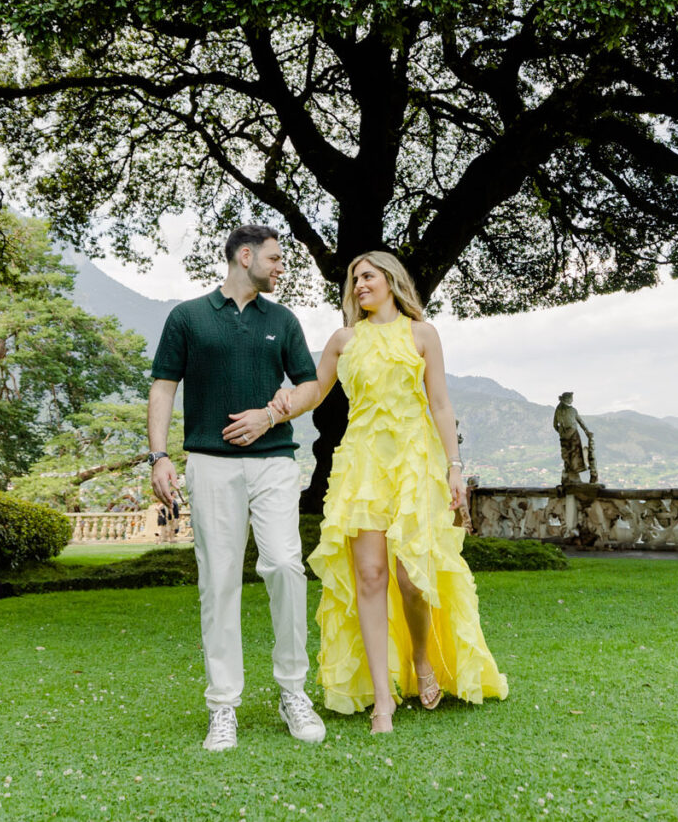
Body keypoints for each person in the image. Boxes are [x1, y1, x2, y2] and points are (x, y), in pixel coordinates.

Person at [271, 251, 508, 734]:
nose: (359, 284)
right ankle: (383, 700)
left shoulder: (423, 335)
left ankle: (421, 656)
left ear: (391, 281)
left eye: (368, 276)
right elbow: (315, 391)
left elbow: (440, 403)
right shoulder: (343, 340)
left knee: (411, 579)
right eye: (354, 278)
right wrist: (276, 408)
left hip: (416, 462)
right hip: (361, 467)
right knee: (371, 577)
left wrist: (454, 468)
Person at [147, 225, 325, 751]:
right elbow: (163, 387)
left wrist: (271, 414)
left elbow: (311, 384)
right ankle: (223, 704)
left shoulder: (284, 320)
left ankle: (293, 691)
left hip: (274, 462)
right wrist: (159, 456)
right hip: (210, 462)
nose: (280, 267)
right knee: (219, 579)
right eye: (274, 258)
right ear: (244, 256)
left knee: (286, 565)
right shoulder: (188, 318)